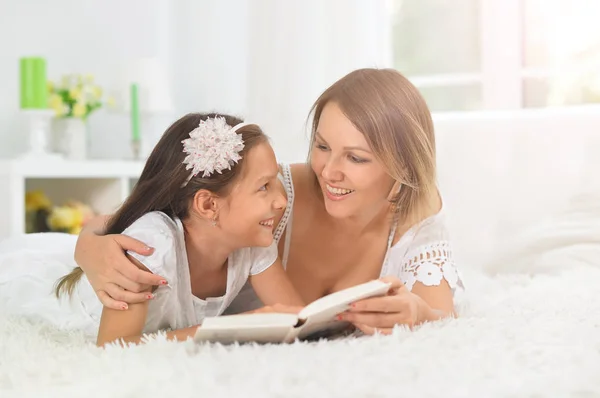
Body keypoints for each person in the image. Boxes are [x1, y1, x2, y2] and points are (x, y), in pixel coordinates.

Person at [74, 68, 464, 335]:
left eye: (356, 158)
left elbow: (439, 314)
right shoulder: (276, 193)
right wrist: (87, 247)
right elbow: (144, 216)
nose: (329, 171)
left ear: (403, 166)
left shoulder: (417, 210)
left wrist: (418, 313)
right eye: (322, 146)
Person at [0, 113, 303, 346]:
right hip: (41, 284)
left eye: (276, 180)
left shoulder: (253, 241)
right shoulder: (152, 245)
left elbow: (295, 316)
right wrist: (232, 329)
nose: (282, 199)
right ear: (208, 205)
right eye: (264, 186)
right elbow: (114, 347)